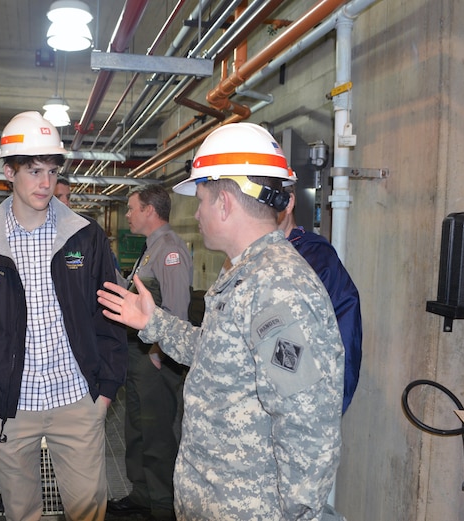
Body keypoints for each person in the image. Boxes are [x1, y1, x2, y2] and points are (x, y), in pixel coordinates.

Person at [97, 122, 344, 521]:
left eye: (201, 200)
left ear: (225, 202)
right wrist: (154, 322)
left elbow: (307, 424)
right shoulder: (244, 273)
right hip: (214, 500)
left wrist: (297, 514)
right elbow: (215, 353)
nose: (195, 213)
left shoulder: (278, 287)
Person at [0, 111, 127, 521]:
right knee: (22, 512)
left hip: (76, 400)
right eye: (33, 171)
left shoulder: (85, 237)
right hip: (8, 406)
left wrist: (104, 391)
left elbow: (109, 317)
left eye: (51, 171)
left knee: (88, 511)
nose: (45, 183)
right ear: (8, 172)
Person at [107, 185, 192, 521]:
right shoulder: (151, 249)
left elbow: (177, 312)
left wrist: (158, 353)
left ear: (150, 211)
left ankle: (162, 508)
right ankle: (143, 495)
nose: (127, 215)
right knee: (138, 429)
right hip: (140, 354)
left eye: (131, 208)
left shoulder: (169, 250)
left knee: (158, 437)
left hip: (157, 359)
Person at [278, 182, 362, 414]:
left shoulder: (316, 259)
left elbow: (345, 337)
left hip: (298, 412)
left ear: (288, 202)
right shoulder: (246, 258)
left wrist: (328, 411)